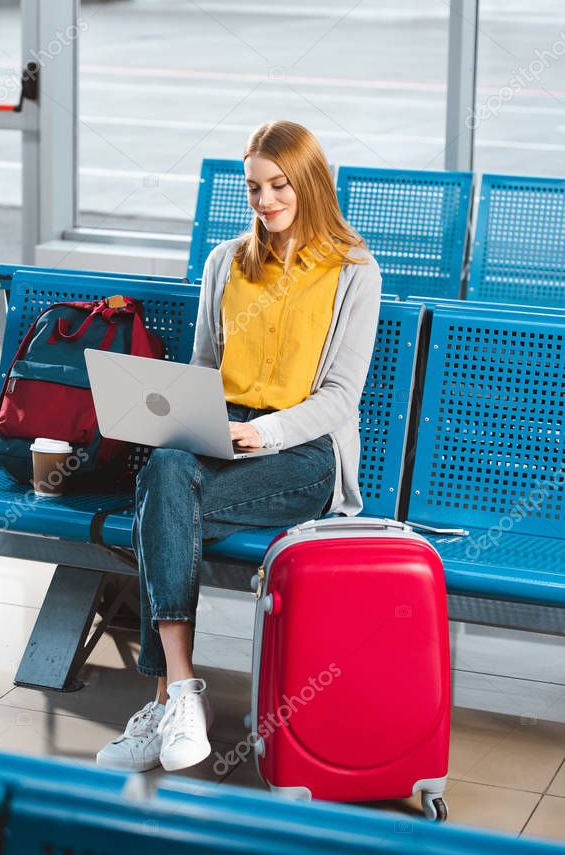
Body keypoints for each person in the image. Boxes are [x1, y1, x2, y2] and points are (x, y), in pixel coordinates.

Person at [96, 120, 382, 774]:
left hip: (301, 451)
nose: (265, 200)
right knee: (166, 468)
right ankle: (182, 691)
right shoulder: (226, 261)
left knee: (160, 503)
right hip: (219, 438)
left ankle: (166, 696)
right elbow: (200, 368)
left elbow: (339, 396)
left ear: (309, 183)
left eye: (279, 185)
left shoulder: (352, 272)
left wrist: (265, 430)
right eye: (253, 187)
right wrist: (189, 418)